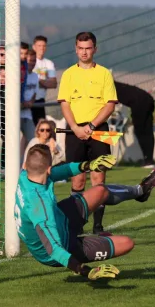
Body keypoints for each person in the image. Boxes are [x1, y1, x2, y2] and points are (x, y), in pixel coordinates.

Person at [15, 144, 155, 280]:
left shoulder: (26, 174)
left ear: (25, 164)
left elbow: (60, 171)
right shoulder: (40, 207)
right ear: (47, 169)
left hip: (60, 217)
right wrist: (86, 271)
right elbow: (54, 250)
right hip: (61, 247)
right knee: (127, 243)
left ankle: (140, 191)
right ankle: (90, 241)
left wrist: (90, 165)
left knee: (100, 190)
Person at [57, 31, 118, 234]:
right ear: (76, 49)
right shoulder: (68, 74)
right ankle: (76, 225)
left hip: (98, 131)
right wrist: (75, 127)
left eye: (88, 48)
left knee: (98, 179)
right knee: (78, 180)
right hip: (74, 131)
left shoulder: (104, 73)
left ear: (95, 49)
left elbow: (109, 105)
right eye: (81, 48)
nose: (84, 52)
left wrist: (91, 127)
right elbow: (65, 104)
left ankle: (98, 227)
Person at [114, 81, 155, 168]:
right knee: (147, 130)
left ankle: (148, 161)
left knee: (141, 131)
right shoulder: (117, 86)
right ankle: (149, 160)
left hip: (139, 103)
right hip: (147, 99)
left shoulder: (107, 88)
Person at [31, 35, 57, 125]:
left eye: (44, 46)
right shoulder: (29, 62)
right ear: (34, 47)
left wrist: (39, 82)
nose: (42, 48)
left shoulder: (49, 63)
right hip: (28, 101)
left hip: (40, 100)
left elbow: (53, 83)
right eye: (39, 45)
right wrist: (45, 82)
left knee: (40, 128)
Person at [21, 49, 39, 162]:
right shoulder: (21, 74)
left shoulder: (35, 76)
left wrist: (30, 102)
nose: (31, 63)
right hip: (16, 114)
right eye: (29, 60)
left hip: (27, 115)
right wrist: (22, 103)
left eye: (34, 60)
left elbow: (35, 93)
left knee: (33, 141)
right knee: (15, 144)